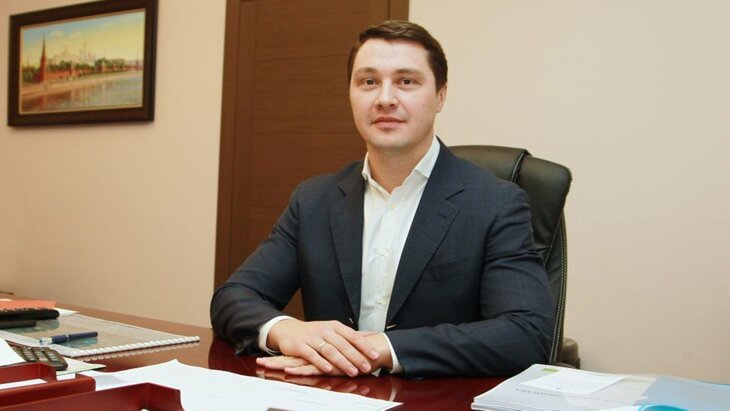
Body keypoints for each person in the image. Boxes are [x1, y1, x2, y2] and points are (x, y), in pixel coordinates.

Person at [211, 20, 554, 378]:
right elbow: (232, 297)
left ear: (441, 96)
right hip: (331, 396)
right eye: (368, 82)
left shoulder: (496, 203)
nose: (385, 98)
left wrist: (381, 349)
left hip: (434, 398)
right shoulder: (314, 200)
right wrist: (287, 330)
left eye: (406, 81)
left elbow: (526, 333)